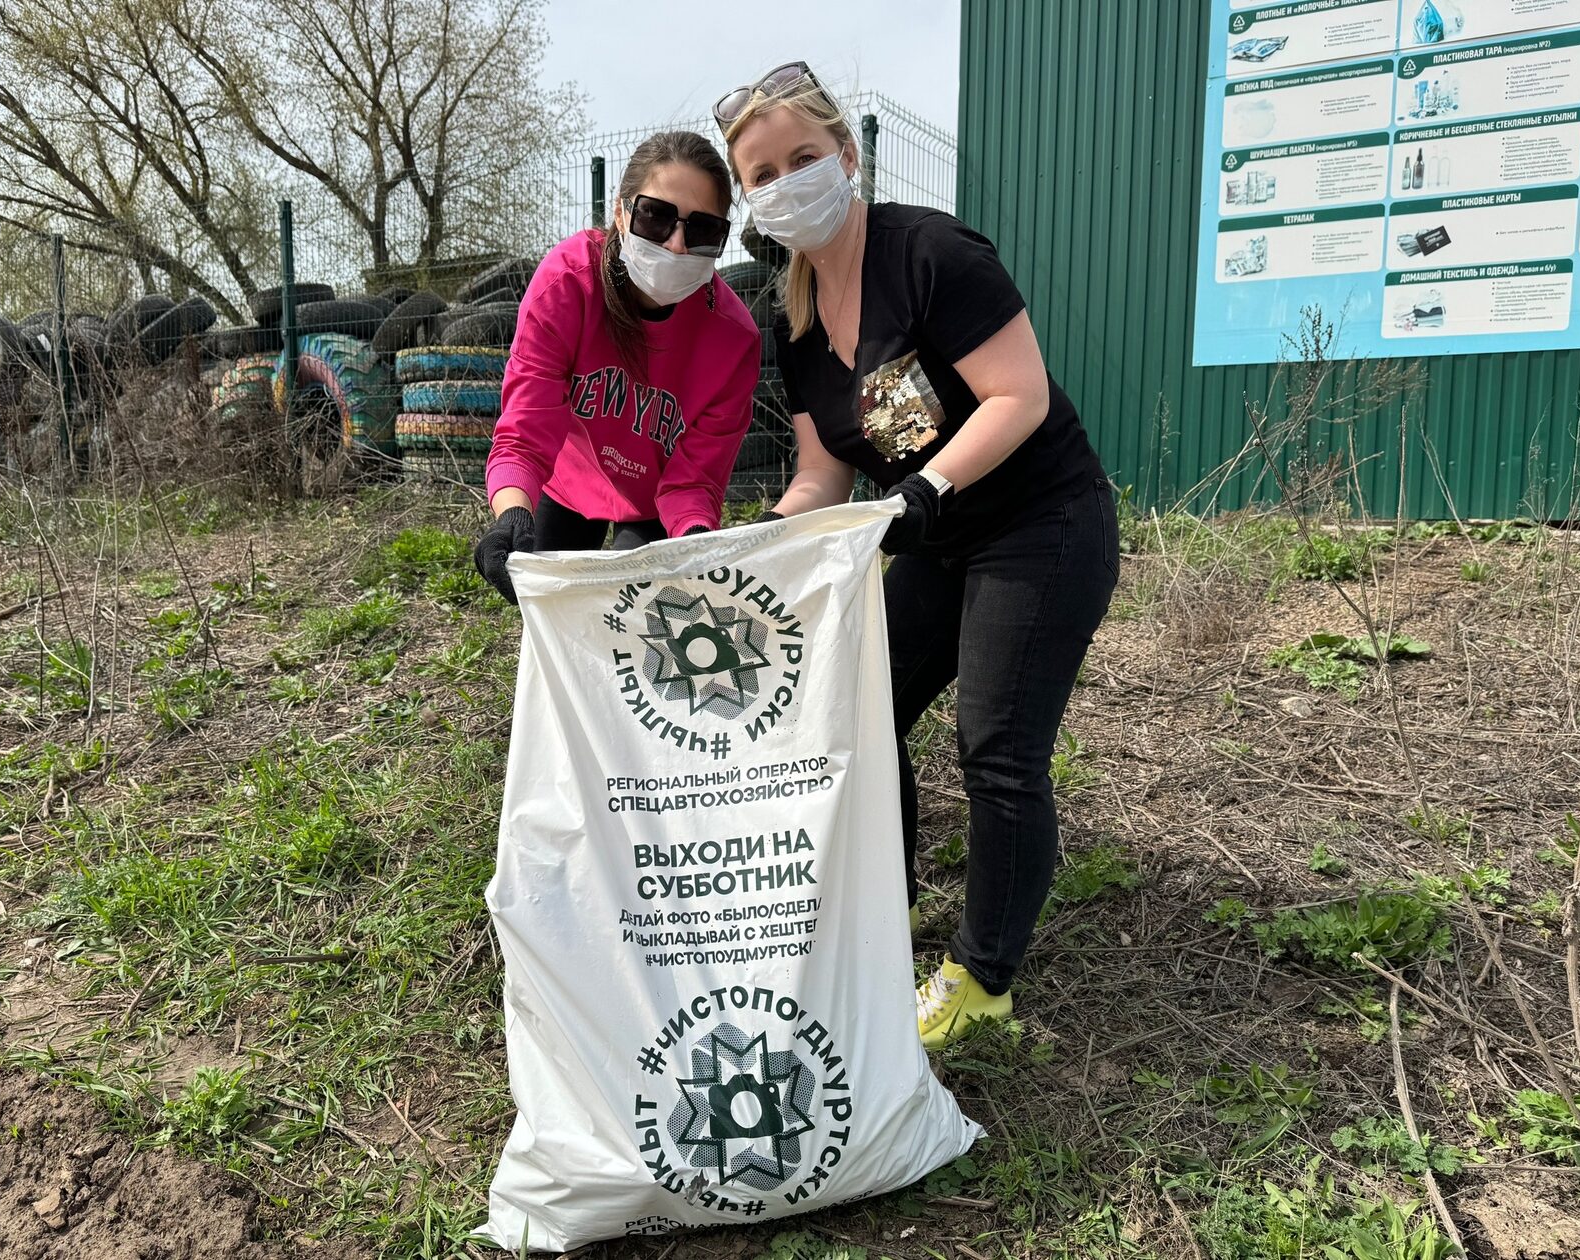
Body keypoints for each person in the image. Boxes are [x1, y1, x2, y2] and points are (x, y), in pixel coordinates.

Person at [719, 64, 1119, 1049]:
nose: (787, 183)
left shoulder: (931, 252)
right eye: (762, 173)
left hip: (1041, 525)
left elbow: (1018, 396)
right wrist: (770, 538)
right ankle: (884, 911)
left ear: (846, 155)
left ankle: (983, 979)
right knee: (861, 710)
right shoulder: (796, 315)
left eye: (803, 159)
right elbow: (822, 473)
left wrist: (926, 489)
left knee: (997, 748)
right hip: (938, 537)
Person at [474, 131, 762, 600]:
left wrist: (692, 540)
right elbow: (525, 432)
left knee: (644, 623)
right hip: (567, 481)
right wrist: (511, 516)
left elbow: (695, 480)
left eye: (704, 229)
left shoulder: (735, 339)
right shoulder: (567, 283)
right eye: (656, 216)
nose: (676, 246)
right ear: (621, 212)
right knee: (551, 618)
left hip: (658, 503)